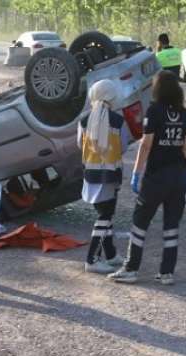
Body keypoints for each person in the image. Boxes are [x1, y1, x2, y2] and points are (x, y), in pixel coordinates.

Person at [108, 71, 186, 285]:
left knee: (140, 221)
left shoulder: (154, 111)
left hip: (157, 177)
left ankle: (131, 268)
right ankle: (167, 273)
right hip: (178, 177)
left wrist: (136, 173)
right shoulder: (185, 114)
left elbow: (146, 145)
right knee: (171, 225)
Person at [77, 79, 130, 274]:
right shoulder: (118, 121)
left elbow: (79, 145)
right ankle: (92, 258)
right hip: (111, 174)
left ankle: (110, 254)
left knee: (106, 214)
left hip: (90, 173)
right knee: (105, 215)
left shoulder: (83, 119)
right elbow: (123, 146)